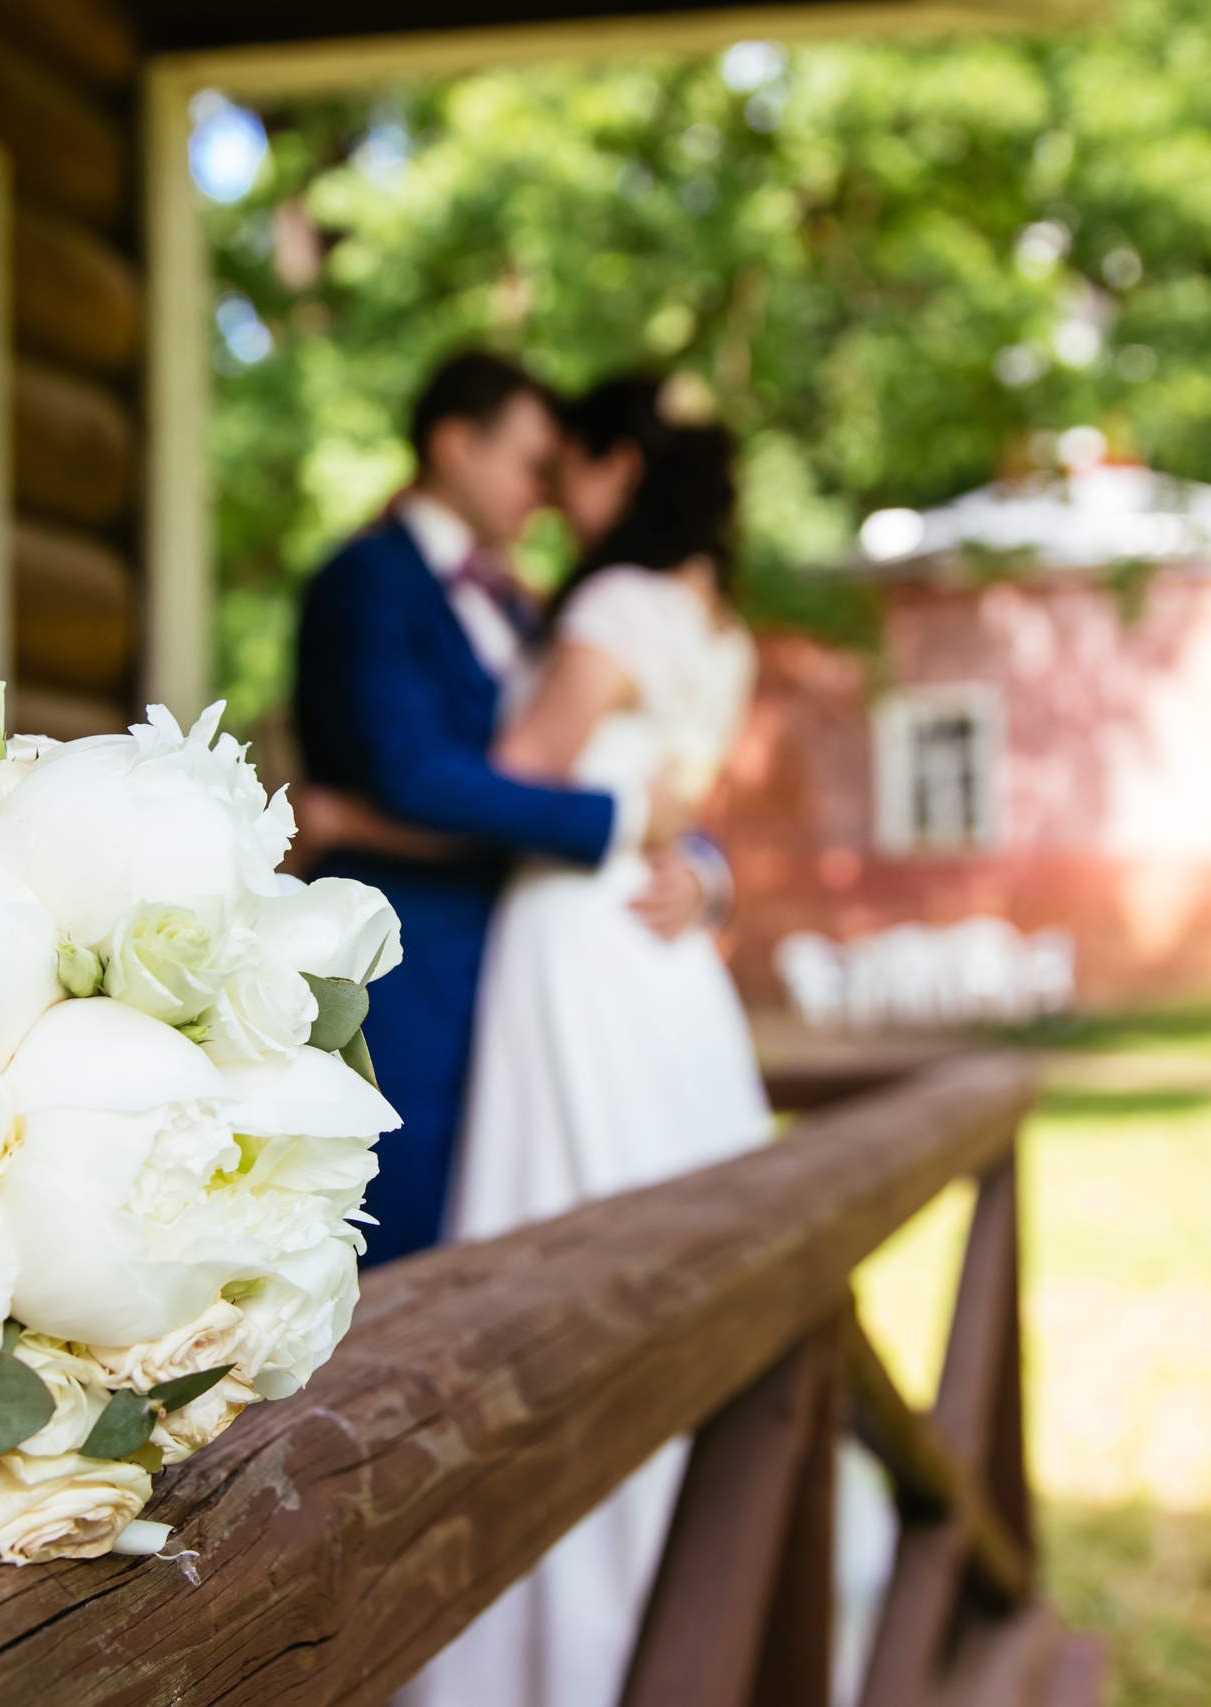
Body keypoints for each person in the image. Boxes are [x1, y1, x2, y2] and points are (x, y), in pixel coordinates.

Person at [400, 382, 774, 1707]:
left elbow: (523, 762)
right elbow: (675, 806)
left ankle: (579, 1631)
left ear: (626, 466)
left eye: (575, 471)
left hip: (575, 941)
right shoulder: (717, 624)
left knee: (566, 1232)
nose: (554, 495)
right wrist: (709, 872)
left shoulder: (614, 608)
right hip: (665, 966)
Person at [289, 353, 705, 1269]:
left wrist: (703, 863)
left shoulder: (525, 607)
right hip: (411, 981)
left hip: (530, 982)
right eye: (530, 463)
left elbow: (610, 752)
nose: (548, 493)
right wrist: (618, 823)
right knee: (398, 1259)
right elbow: (415, 773)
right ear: (453, 444)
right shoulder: (365, 580)